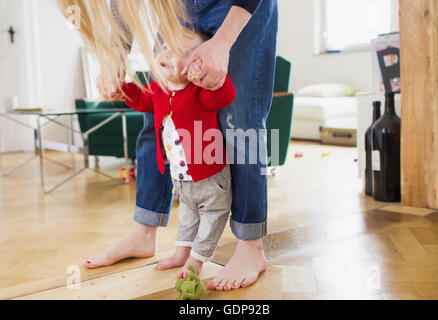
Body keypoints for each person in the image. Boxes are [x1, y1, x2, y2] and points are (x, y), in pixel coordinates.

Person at [59, 0, 278, 291]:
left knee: (241, 119)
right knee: (159, 112)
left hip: (239, 6)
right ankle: (143, 233)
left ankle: (251, 247)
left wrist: (223, 41)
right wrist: (116, 57)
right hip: (179, 8)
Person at [120, 30, 236, 278]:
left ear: (197, 64)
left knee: (210, 221)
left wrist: (212, 77)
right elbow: (141, 100)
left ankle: (198, 259)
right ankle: (182, 253)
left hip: (211, 179)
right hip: (181, 180)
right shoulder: (159, 88)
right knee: (187, 218)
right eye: (166, 47)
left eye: (179, 51)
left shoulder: (198, 90)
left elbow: (225, 95)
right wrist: (120, 88)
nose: (167, 54)